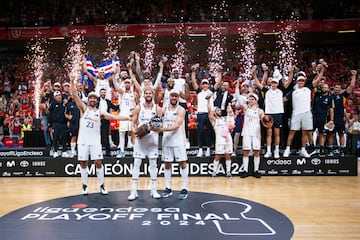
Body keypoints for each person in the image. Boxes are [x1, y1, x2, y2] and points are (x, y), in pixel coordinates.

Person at [70, 78, 129, 195]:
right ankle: (84, 186)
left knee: (98, 162)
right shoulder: (84, 109)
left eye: (94, 98)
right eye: (91, 98)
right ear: (88, 99)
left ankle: (102, 186)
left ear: (97, 100)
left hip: (95, 141)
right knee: (83, 162)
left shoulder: (100, 112)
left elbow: (115, 117)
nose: (92, 99)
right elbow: (75, 96)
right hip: (83, 141)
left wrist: (129, 118)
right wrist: (72, 83)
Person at [152, 89, 189, 199]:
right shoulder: (164, 109)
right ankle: (168, 188)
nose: (174, 98)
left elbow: (177, 125)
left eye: (176, 96)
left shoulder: (181, 109)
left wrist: (161, 129)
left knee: (182, 163)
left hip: (178, 141)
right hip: (166, 141)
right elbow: (156, 114)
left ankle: (184, 188)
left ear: (178, 98)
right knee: (167, 164)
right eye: (172, 96)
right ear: (169, 97)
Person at [127, 87, 162, 201]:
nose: (148, 95)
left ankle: (153, 190)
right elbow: (132, 123)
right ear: (143, 95)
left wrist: (151, 127)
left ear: (152, 95)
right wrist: (135, 130)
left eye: (150, 93)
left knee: (153, 165)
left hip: (152, 140)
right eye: (146, 93)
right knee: (136, 164)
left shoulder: (158, 109)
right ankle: (133, 191)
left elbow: (160, 125)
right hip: (140, 141)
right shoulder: (138, 107)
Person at [283, 65, 324, 158]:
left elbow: (318, 80)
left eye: (302, 81)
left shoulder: (308, 88)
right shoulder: (293, 90)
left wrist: (322, 71)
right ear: (297, 81)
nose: (301, 82)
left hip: (306, 113)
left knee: (305, 132)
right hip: (296, 113)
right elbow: (284, 99)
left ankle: (303, 149)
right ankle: (287, 149)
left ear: (304, 81)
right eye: (299, 81)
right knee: (292, 132)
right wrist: (291, 72)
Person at [328, 70, 357, 156]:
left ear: (340, 89)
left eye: (338, 87)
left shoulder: (343, 96)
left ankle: (341, 150)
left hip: (340, 119)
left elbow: (351, 86)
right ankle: (330, 150)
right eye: (335, 87)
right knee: (331, 134)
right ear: (334, 88)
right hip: (331, 119)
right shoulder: (330, 96)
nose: (336, 89)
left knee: (341, 134)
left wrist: (353, 76)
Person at [237, 93, 267, 178]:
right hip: (246, 132)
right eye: (249, 99)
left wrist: (265, 121)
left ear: (256, 100)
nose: (250, 100)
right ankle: (245, 170)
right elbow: (239, 99)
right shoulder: (246, 108)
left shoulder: (260, 111)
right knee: (246, 151)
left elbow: (263, 119)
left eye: (252, 99)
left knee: (256, 151)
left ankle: (256, 170)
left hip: (256, 133)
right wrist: (237, 87)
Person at [207, 97, 235, 178]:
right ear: (214, 112)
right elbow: (209, 112)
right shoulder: (214, 120)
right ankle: (214, 172)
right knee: (217, 156)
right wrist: (208, 101)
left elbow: (231, 117)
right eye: (218, 110)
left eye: (220, 110)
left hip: (228, 139)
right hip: (219, 140)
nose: (220, 111)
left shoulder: (225, 119)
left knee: (228, 155)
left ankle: (228, 172)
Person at [190, 65, 214, 157]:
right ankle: (200, 149)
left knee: (208, 131)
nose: (204, 85)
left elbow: (218, 82)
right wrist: (193, 72)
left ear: (208, 85)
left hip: (209, 113)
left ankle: (208, 148)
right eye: (203, 84)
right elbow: (193, 82)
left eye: (206, 84)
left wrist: (217, 72)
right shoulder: (199, 92)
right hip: (200, 114)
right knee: (200, 131)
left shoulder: (211, 92)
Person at [98, 88, 119, 156]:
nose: (103, 93)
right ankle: (98, 151)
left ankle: (107, 151)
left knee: (106, 135)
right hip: (97, 119)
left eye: (104, 92)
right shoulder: (96, 100)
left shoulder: (108, 101)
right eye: (102, 92)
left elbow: (115, 107)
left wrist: (121, 104)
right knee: (98, 136)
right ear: (100, 93)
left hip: (105, 119)